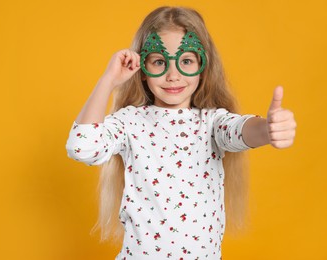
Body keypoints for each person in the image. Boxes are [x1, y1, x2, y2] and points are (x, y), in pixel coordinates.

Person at [66, 6, 296, 259]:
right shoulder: (130, 122)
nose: (173, 75)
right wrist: (108, 80)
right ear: (142, 69)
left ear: (203, 67)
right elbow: (82, 147)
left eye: (185, 61)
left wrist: (267, 129)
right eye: (159, 62)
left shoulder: (212, 123)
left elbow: (240, 131)